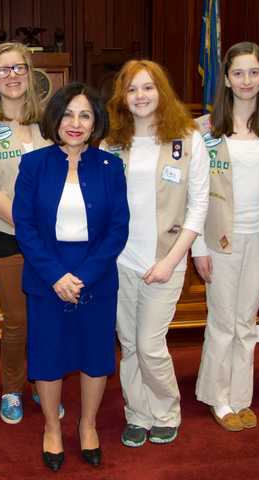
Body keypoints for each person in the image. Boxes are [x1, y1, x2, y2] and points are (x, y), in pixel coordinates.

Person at [13, 83, 129, 471]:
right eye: (67, 114)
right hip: (47, 273)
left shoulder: (111, 166)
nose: (75, 123)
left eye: (85, 115)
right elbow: (25, 227)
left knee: (95, 354)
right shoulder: (33, 164)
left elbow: (118, 228)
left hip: (94, 275)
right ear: (55, 118)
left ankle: (88, 424)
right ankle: (51, 427)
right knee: (47, 356)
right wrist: (56, 276)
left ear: (96, 122)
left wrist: (83, 276)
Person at [102, 60, 209, 447]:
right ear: (122, 97)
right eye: (132, 89)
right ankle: (138, 413)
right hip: (121, 262)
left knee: (150, 343)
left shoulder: (188, 138)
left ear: (161, 92)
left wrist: (171, 260)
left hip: (166, 259)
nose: (140, 96)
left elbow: (198, 207)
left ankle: (165, 411)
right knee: (129, 344)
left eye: (148, 88)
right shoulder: (111, 142)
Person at [191, 42, 259, 432]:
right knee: (222, 321)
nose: (247, 80)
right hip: (220, 239)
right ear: (227, 79)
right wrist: (198, 247)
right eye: (238, 73)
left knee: (246, 321)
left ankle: (240, 396)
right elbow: (195, 195)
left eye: (254, 72)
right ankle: (218, 397)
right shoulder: (204, 129)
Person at [0, 42, 59, 424]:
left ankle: (45, 384)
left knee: (49, 317)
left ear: (31, 71)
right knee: (17, 320)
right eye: (2, 70)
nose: (11, 76)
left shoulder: (51, 120)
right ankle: (11, 389)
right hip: (7, 235)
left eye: (18, 68)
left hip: (54, 238)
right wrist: (28, 225)